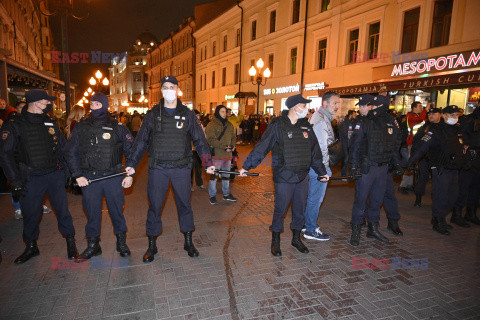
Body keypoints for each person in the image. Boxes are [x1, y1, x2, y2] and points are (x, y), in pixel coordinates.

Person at [125, 76, 215, 262]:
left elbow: (200, 140)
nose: (168, 90)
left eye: (171, 87)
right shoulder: (152, 115)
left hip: (181, 168)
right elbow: (141, 141)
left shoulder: (188, 114)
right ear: (162, 90)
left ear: (177, 89)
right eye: (165, 87)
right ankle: (152, 246)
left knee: (185, 205)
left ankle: (188, 242)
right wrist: (131, 165)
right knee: (155, 207)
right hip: (158, 168)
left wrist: (208, 162)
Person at [239, 94, 330, 256]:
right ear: (296, 107)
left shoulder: (306, 127)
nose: (307, 109)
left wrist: (322, 172)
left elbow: (315, 153)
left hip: (302, 177)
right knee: (280, 210)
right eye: (304, 106)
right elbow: (263, 147)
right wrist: (247, 166)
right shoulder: (277, 126)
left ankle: (296, 239)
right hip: (284, 177)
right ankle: (275, 241)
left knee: (299, 210)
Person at [0, 89, 78, 264]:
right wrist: (15, 180)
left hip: (54, 175)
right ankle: (31, 247)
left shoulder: (50, 123)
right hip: (31, 178)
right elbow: (5, 154)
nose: (48, 104)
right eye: (46, 101)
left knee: (63, 211)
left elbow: (63, 149)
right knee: (31, 214)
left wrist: (68, 171)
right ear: (35, 102)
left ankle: (71, 243)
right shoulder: (15, 125)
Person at [63, 93, 134, 260]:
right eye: (92, 104)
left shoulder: (118, 126)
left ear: (105, 106)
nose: (94, 107)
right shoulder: (82, 127)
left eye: (97, 104)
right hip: (90, 178)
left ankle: (121, 242)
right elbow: (70, 152)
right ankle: (93, 245)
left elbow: (131, 151)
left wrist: (130, 174)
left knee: (117, 211)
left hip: (114, 176)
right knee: (92, 212)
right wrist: (77, 175)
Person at [349, 95, 403, 246]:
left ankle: (373, 229)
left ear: (383, 107)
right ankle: (356, 230)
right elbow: (355, 146)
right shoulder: (364, 122)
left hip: (382, 168)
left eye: (375, 106)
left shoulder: (390, 123)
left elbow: (392, 146)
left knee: (377, 201)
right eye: (371, 106)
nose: (372, 108)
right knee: (360, 201)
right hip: (367, 168)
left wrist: (397, 164)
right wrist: (353, 166)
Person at [407, 105, 465, 235]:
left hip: (454, 168)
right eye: (452, 115)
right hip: (440, 168)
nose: (454, 118)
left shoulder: (457, 129)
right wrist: (410, 162)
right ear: (444, 116)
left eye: (456, 115)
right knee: (441, 196)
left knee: (452, 196)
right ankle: (438, 221)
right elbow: (422, 147)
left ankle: (439, 218)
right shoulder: (436, 130)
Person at [303, 91, 340, 241]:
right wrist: (323, 169)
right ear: (325, 103)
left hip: (314, 164)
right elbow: (321, 148)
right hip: (319, 166)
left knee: (312, 198)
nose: (337, 106)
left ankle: (307, 224)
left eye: (338, 103)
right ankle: (311, 229)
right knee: (315, 198)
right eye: (335, 103)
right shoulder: (321, 120)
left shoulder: (320, 117)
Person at [452, 105, 480, 226]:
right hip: (468, 159)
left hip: (477, 160)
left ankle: (471, 214)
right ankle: (456, 215)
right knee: (462, 189)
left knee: (475, 190)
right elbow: (461, 138)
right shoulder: (468, 120)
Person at [206, 105, 237, 204]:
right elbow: (211, 140)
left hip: (227, 155)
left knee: (226, 175)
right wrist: (225, 147)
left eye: (225, 112)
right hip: (217, 155)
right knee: (214, 177)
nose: (224, 114)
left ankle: (226, 194)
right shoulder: (211, 125)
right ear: (217, 112)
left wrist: (232, 146)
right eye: (222, 111)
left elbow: (233, 137)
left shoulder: (229, 125)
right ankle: (212, 195)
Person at [412, 108, 442, 207]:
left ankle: (437, 201)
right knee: (422, 178)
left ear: (440, 115)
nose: (431, 115)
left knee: (438, 181)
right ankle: (418, 199)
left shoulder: (444, 127)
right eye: (429, 114)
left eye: (434, 113)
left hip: (439, 159)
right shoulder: (424, 127)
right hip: (425, 158)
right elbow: (416, 142)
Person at [399, 101, 430, 193]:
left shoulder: (417, 116)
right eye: (420, 106)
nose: (422, 107)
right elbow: (420, 119)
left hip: (417, 143)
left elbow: (425, 120)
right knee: (410, 163)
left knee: (413, 164)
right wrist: (426, 109)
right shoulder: (410, 116)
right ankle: (402, 186)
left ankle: (408, 185)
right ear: (414, 108)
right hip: (411, 143)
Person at [339, 110, 356, 177]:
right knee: (345, 160)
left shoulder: (353, 123)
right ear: (350, 115)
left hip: (351, 145)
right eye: (354, 115)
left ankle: (351, 174)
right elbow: (345, 135)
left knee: (351, 160)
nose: (355, 116)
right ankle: (343, 175)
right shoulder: (344, 124)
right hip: (345, 145)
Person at [191, 110, 205, 191]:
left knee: (199, 168)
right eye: (196, 115)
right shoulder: (189, 125)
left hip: (198, 151)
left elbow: (204, 136)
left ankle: (200, 183)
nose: (198, 117)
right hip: (191, 150)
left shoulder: (200, 125)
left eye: (198, 115)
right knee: (190, 169)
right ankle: (190, 185)